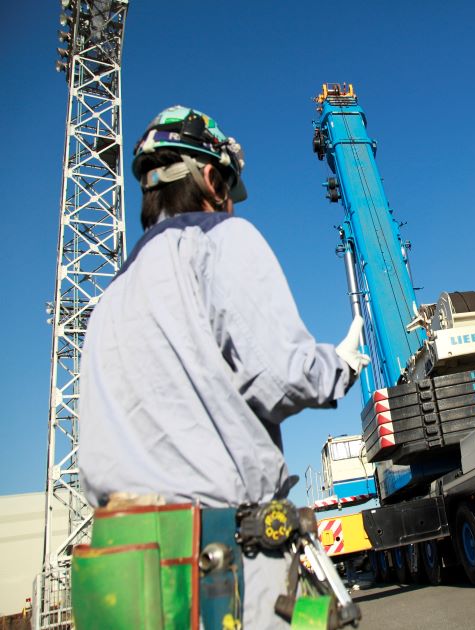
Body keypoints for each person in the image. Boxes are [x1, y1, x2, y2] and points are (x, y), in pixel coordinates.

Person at [78, 105, 369, 628]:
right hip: (224, 567)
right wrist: (339, 366)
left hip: (127, 580)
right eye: (230, 189)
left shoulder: (109, 300)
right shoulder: (219, 241)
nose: (231, 204)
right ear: (211, 177)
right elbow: (283, 376)